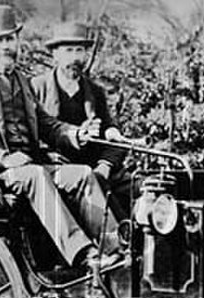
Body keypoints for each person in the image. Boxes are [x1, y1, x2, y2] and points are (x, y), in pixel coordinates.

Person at [0, 5, 121, 269]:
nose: (6, 46)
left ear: (17, 40)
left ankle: (117, 248)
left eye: (10, 39)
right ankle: (83, 254)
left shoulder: (22, 82)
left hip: (30, 168)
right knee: (37, 176)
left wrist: (75, 133)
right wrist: (4, 159)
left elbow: (47, 125)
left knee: (83, 174)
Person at [30, 22, 132, 216]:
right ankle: (115, 241)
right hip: (58, 170)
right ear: (55, 54)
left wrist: (105, 165)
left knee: (145, 191)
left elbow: (111, 131)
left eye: (80, 51)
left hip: (96, 168)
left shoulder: (95, 92)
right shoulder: (36, 88)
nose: (75, 58)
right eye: (68, 51)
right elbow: (33, 134)